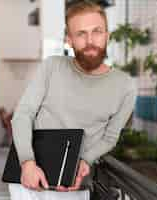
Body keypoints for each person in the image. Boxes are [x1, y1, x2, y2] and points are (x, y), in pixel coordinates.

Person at [9, 2, 137, 200]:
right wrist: (27, 162)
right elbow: (22, 114)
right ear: (69, 39)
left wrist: (86, 160)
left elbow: (110, 137)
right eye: (81, 34)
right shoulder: (51, 67)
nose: (90, 41)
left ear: (107, 35)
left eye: (97, 31)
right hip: (29, 181)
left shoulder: (126, 86)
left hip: (74, 185)